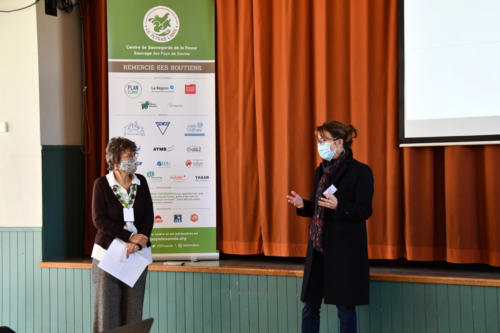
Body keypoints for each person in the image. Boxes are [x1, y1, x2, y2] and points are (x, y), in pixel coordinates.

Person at [286, 121, 374, 333]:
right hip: (318, 250)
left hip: (343, 252)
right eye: (318, 141)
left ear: (339, 142)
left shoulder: (360, 172)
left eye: (323, 140)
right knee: (309, 306)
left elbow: (364, 211)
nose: (320, 145)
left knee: (344, 308)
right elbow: (320, 208)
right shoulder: (321, 171)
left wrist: (339, 205)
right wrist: (303, 205)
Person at [91, 137, 154, 333]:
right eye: (129, 156)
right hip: (108, 256)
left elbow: (148, 216)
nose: (133, 159)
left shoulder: (141, 181)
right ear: (115, 161)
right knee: (107, 316)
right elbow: (99, 220)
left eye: (134, 155)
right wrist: (129, 237)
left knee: (133, 316)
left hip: (136, 256)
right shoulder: (102, 184)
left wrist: (138, 242)